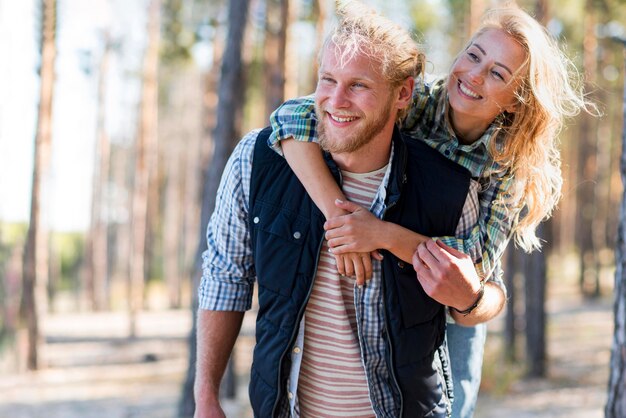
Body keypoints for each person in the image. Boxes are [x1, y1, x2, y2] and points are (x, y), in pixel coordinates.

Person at [267, 4, 595, 418]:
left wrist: (381, 234)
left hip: (448, 306)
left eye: (497, 74)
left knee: (450, 406)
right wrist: (340, 218)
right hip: (390, 285)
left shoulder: (511, 165)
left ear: (516, 101)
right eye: (474, 55)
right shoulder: (417, 100)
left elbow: (472, 261)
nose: (474, 75)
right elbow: (292, 115)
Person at [194, 1, 498, 417]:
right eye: (328, 80)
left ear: (403, 93)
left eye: (358, 86)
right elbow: (225, 276)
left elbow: (476, 303)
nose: (336, 100)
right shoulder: (258, 159)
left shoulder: (449, 188)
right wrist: (206, 395)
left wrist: (467, 297)